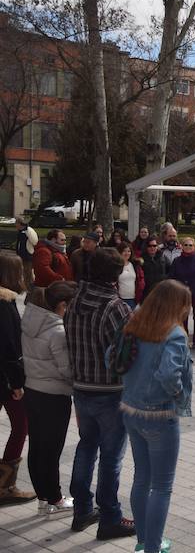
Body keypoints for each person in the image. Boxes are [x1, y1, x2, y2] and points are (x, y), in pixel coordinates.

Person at [65, 248, 135, 539]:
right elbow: (126, 355)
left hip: (81, 387)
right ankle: (110, 517)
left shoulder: (74, 299)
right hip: (110, 391)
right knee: (111, 456)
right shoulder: (115, 307)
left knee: (86, 447)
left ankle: (82, 509)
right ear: (116, 275)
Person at [120, 280, 193, 553]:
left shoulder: (135, 323)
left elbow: (110, 358)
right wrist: (176, 394)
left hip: (130, 408)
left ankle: (143, 541)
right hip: (160, 414)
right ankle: (152, 546)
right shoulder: (173, 333)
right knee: (162, 487)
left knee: (142, 478)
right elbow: (168, 374)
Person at [21, 281, 76, 514]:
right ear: (62, 305)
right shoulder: (58, 331)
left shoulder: (30, 322)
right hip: (54, 396)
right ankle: (55, 498)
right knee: (52, 449)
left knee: (37, 446)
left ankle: (43, 497)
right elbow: (66, 370)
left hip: (32, 391)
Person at [0, 254, 35, 507]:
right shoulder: (5, 303)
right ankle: (5, 486)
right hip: (5, 380)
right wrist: (17, 383)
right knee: (21, 425)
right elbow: (9, 347)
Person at [169, 238, 195, 349]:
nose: (188, 247)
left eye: (190, 245)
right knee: (182, 317)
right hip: (181, 293)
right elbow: (172, 277)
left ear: (194, 246)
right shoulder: (177, 261)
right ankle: (183, 338)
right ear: (181, 246)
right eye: (186, 245)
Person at [115, 242, 144, 310]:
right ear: (119, 252)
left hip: (133, 299)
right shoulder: (116, 265)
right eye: (124, 251)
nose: (127, 253)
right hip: (120, 300)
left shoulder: (135, 265)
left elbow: (140, 280)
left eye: (129, 251)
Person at [14, 216, 38, 289]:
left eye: (16, 223)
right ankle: (25, 285)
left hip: (27, 255)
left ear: (19, 223)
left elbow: (35, 241)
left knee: (28, 272)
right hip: (20, 254)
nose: (15, 225)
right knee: (23, 271)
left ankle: (29, 287)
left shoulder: (29, 231)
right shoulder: (20, 231)